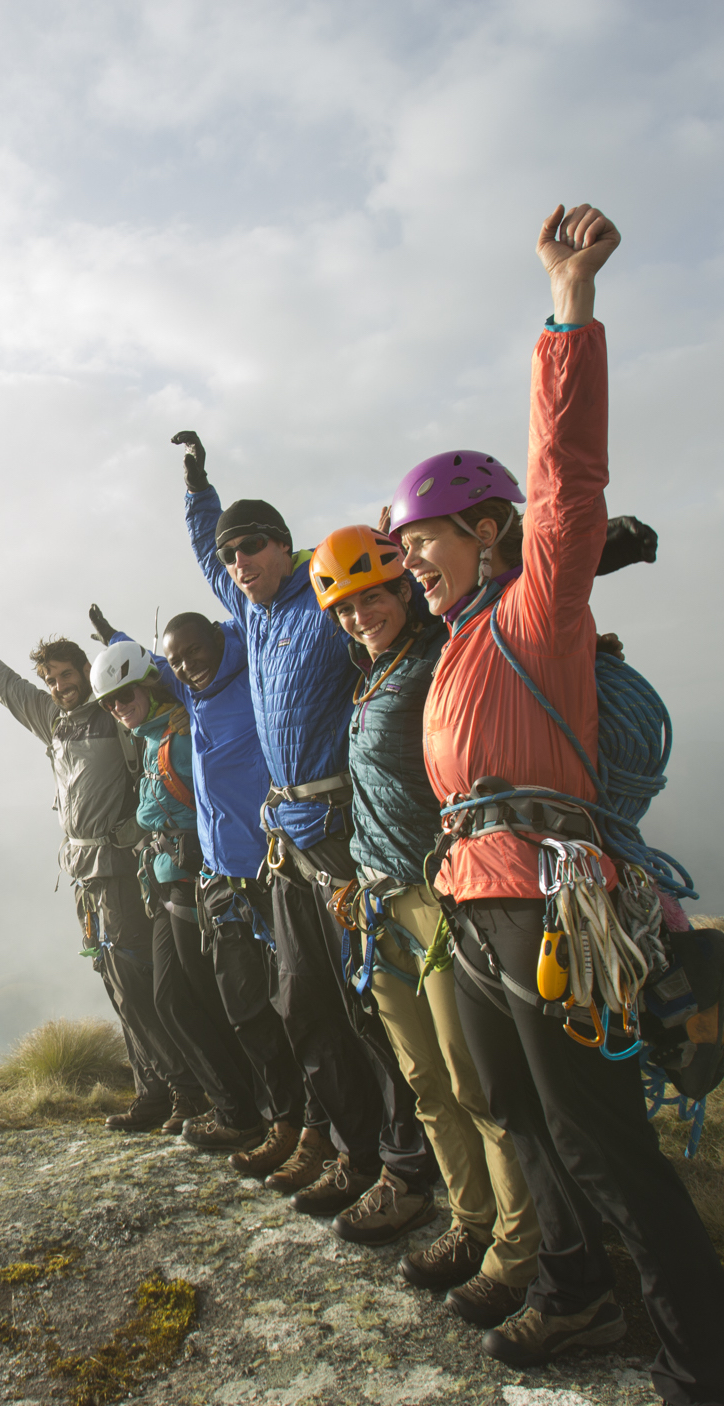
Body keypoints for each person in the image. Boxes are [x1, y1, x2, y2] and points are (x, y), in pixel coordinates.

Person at [390, 204, 724, 1406]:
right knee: (535, 1123)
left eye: (425, 541)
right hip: (487, 911)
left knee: (609, 1155)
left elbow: (570, 475)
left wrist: (569, 306)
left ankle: (713, 1397)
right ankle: (578, 1293)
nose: (412, 564)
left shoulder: (532, 608)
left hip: (548, 913)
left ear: (487, 531)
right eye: (403, 550)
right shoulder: (450, 652)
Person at [174, 436, 438, 1235]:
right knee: (304, 1005)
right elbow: (205, 552)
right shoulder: (251, 614)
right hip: (284, 837)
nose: (240, 559)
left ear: (286, 547)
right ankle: (354, 1152)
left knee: (368, 1009)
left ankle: (406, 1166)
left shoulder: (323, 606)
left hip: (336, 833)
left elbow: (419, 593)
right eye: (233, 551)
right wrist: (197, 491)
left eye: (254, 545)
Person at [310, 524, 543, 1319]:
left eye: (372, 596)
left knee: (473, 1078)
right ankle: (470, 1221)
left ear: (406, 589)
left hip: (438, 897)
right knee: (423, 1079)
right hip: (380, 901)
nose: (358, 615)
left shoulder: (439, 659)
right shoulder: (369, 676)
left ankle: (518, 1250)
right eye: (344, 605)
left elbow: (495, 630)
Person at [0, 607, 204, 1134]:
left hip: (120, 868)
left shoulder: (112, 714)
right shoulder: (52, 719)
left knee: (137, 982)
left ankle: (184, 1090)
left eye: (66, 676)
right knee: (116, 981)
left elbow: (165, 683)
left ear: (84, 672)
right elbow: (0, 682)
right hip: (83, 873)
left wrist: (180, 710)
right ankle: (153, 1091)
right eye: (50, 680)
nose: (58, 686)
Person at [87, 606, 306, 1177]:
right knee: (186, 999)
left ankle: (246, 1108)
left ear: (150, 690)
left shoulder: (181, 730)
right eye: (110, 704)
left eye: (125, 698)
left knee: (200, 1000)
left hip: (200, 880)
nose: (118, 710)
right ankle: (237, 1104)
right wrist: (115, 638)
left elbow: (170, 670)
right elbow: (161, 663)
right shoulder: (156, 732)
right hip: (172, 883)